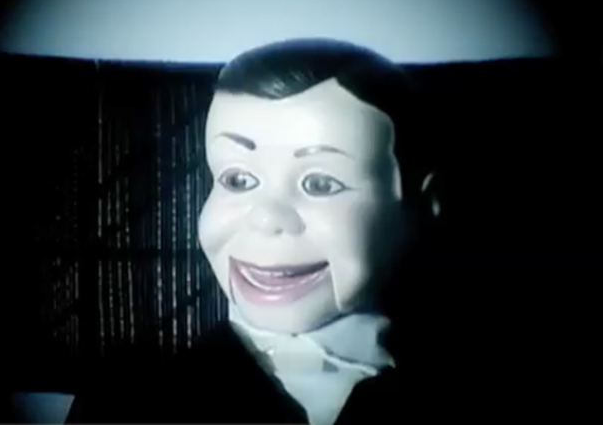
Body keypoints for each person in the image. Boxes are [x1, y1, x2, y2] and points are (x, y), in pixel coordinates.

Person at [66, 38, 441, 424]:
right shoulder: (124, 402)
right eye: (238, 180)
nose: (266, 218)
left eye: (320, 184)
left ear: (422, 207)